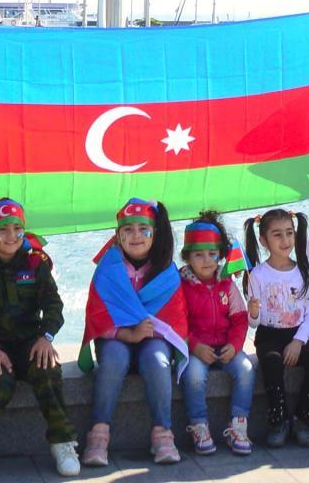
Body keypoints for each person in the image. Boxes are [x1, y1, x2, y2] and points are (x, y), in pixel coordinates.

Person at [0, 199, 78, 480]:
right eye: (3, 229)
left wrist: (46, 337)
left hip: (30, 344)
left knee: (47, 371)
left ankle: (63, 444)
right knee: (0, 383)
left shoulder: (36, 264)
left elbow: (54, 305)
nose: (11, 236)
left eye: (17, 228)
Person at [81, 198, 188, 468]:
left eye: (144, 229)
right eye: (128, 230)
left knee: (157, 361)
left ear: (156, 233)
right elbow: (97, 316)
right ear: (118, 236)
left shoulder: (166, 271)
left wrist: (145, 332)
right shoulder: (108, 269)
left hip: (153, 338)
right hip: (115, 338)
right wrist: (127, 335)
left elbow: (173, 321)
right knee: (114, 359)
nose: (136, 235)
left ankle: (163, 433)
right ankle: (99, 433)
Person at [242, 208, 309, 450]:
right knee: (272, 363)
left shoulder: (303, 271)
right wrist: (253, 311)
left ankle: (304, 420)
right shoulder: (257, 274)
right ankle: (279, 421)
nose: (285, 240)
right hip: (268, 334)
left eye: (289, 233)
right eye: (277, 235)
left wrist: (298, 341)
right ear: (264, 240)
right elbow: (254, 324)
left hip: (297, 332)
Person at [177, 213, 254, 456]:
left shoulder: (227, 283)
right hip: (196, 349)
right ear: (187, 257)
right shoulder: (181, 285)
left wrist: (234, 344)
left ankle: (238, 424)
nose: (206, 261)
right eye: (199, 254)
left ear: (220, 255)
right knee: (195, 376)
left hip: (226, 346)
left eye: (212, 254)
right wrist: (194, 346)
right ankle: (199, 425)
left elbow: (240, 318)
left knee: (246, 369)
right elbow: (176, 323)